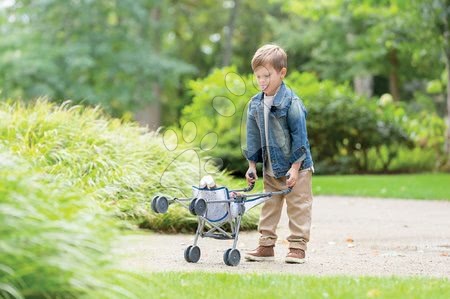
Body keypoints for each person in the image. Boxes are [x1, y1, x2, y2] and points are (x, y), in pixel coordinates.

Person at [243, 44, 314, 264]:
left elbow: (300, 138)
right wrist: (252, 166)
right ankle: (266, 246)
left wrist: (294, 168)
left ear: (281, 73)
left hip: (297, 168)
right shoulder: (255, 104)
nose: (262, 81)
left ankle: (297, 247)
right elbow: (252, 137)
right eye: (258, 76)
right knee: (269, 205)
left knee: (298, 205)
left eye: (267, 75)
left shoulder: (292, 103)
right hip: (271, 167)